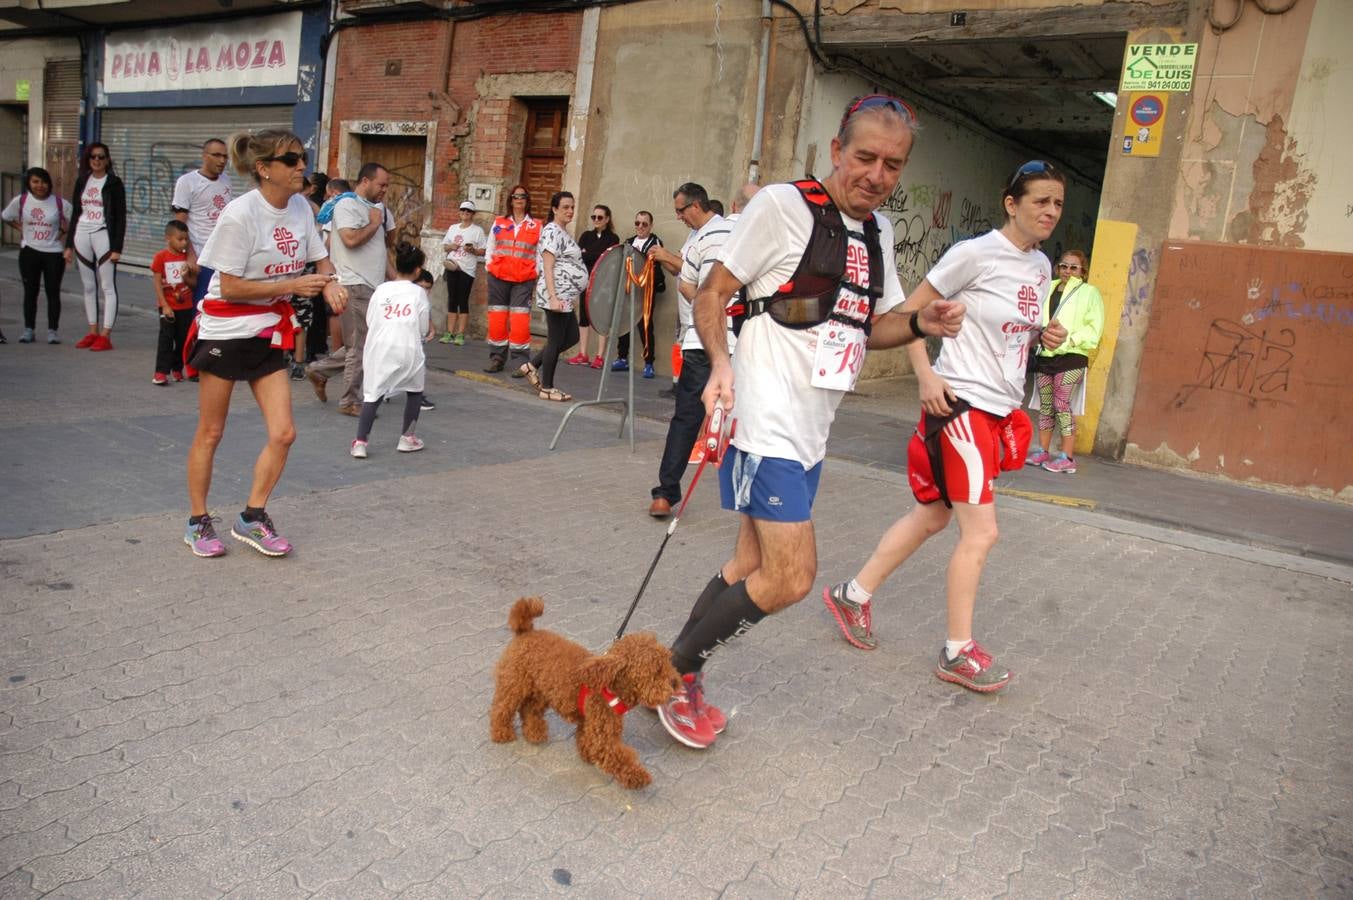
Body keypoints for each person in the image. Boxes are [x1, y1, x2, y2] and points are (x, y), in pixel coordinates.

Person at [653, 95, 967, 749]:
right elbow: (713, 292)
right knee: (791, 577)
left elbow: (869, 325)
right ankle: (667, 676)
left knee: (747, 562)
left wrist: (919, 323)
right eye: (864, 157)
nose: (876, 175)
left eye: (892, 164)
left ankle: (674, 673)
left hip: (810, 432)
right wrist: (717, 366)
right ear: (834, 151)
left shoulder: (877, 232)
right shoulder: (781, 206)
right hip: (763, 418)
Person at [822, 159, 1070, 695]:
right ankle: (958, 652)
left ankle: (853, 595)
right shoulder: (974, 253)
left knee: (931, 516)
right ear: (1012, 203)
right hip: (960, 405)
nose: (1050, 211)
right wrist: (925, 375)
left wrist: (1039, 336)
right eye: (1040, 201)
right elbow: (906, 314)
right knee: (981, 532)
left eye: (1057, 203)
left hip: (998, 410)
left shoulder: (1042, 267)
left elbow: (1007, 332)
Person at [183, 129, 346, 558]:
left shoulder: (299, 207)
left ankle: (252, 517)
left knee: (284, 432)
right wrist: (295, 283)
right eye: (291, 160)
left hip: (269, 328)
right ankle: (198, 522)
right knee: (211, 432)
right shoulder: (240, 215)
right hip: (226, 329)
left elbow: (320, 257)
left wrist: (329, 284)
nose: (300, 167)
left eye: (302, 158)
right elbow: (231, 287)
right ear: (263, 169)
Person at [647, 183, 732, 519]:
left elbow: (688, 286)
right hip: (717, 338)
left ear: (697, 205)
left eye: (681, 210)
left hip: (718, 336)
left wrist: (674, 264)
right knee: (697, 415)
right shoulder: (704, 236)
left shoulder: (715, 234)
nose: (679, 216)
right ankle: (667, 492)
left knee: (690, 417)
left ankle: (666, 494)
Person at [304, 162, 396, 415]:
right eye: (381, 184)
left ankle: (319, 370)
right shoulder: (347, 206)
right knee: (360, 346)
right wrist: (375, 223)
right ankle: (350, 401)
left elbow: (381, 252)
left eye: (387, 185)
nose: (385, 190)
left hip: (373, 287)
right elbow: (350, 240)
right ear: (365, 181)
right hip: (353, 284)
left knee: (367, 342)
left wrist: (397, 281)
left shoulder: (377, 210)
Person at [350, 242, 434, 458]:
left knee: (373, 394)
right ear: (417, 270)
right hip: (408, 348)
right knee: (415, 391)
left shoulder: (381, 289)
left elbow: (370, 320)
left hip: (379, 347)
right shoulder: (419, 293)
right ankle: (407, 438)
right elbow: (423, 328)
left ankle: (360, 442)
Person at [1025, 248, 1104, 474]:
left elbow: (1094, 329)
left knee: (1062, 403)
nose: (1068, 271)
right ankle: (1043, 450)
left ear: (1083, 271)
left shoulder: (1090, 293)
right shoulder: (1047, 288)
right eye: (1064, 266)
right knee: (1046, 404)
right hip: (1046, 354)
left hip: (1073, 356)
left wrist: (1069, 339)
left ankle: (1067, 457)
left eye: (1074, 267)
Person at [520, 191, 589, 402]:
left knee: (572, 337)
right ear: (554, 209)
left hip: (565, 295)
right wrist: (552, 297)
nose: (570, 211)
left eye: (572, 207)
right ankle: (547, 387)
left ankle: (531, 365)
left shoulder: (563, 232)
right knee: (557, 339)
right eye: (565, 207)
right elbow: (548, 267)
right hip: (555, 294)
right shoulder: (551, 231)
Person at [66, 142, 126, 352]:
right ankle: (92, 331)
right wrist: (68, 245)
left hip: (104, 235)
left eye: (101, 157)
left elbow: (120, 218)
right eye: (93, 157)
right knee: (88, 286)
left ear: (107, 159)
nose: (97, 161)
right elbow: (75, 213)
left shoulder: (114, 183)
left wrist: (117, 247)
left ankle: (105, 334)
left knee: (107, 286)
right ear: (88, 159)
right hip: (82, 233)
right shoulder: (83, 181)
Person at [1, 166, 69, 344]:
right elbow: (6, 216)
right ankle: (28, 329)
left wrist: (62, 231)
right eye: (35, 182)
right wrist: (20, 228)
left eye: (44, 182)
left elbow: (76, 218)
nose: (40, 186)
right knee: (30, 292)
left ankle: (53, 331)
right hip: (29, 252)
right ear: (29, 183)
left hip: (53, 253)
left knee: (53, 293)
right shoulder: (22, 201)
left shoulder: (59, 203)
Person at [482, 185, 540, 373]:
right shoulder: (499, 222)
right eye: (516, 196)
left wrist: (536, 272)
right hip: (498, 277)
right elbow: (490, 246)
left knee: (519, 321)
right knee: (497, 319)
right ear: (511, 200)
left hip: (523, 280)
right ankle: (497, 358)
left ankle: (521, 363)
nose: (519, 199)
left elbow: (540, 252)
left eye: (523, 196)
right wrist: (489, 266)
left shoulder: (536, 225)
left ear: (527, 200)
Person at [172, 138, 233, 311]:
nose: (222, 161)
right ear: (204, 156)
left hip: (223, 256)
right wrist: (190, 255)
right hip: (202, 256)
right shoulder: (187, 182)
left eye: (225, 156)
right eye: (216, 155)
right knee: (201, 308)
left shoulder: (226, 180)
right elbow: (179, 224)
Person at [612, 210, 666, 378]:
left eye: (644, 224)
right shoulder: (628, 242)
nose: (640, 227)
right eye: (637, 223)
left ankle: (649, 363)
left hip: (646, 292)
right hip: (629, 290)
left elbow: (655, 266)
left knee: (645, 327)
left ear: (650, 226)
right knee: (624, 324)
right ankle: (622, 358)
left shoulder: (655, 243)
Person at [570, 203, 618, 368]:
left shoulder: (613, 238)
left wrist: (589, 255)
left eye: (599, 217)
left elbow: (608, 259)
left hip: (603, 284)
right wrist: (594, 256)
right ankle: (583, 353)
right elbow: (579, 257)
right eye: (594, 217)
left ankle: (599, 356)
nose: (596, 220)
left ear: (607, 219)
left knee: (601, 317)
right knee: (584, 317)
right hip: (586, 281)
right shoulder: (586, 236)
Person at [151, 220, 195, 385]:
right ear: (168, 238)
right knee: (166, 338)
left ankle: (177, 368)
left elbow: (193, 283)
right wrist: (164, 305)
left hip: (186, 305)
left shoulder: (188, 258)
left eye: (185, 239)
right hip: (168, 306)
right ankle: (161, 372)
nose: (183, 242)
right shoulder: (160, 257)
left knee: (183, 339)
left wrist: (188, 275)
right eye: (180, 239)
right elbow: (157, 283)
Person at [439, 199, 485, 345]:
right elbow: (444, 246)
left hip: (467, 269)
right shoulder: (453, 228)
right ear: (459, 212)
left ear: (473, 214)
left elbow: (483, 250)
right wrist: (451, 246)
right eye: (463, 210)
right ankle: (449, 332)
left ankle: (460, 334)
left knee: (462, 300)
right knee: (452, 299)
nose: (465, 213)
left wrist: (472, 250)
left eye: (468, 211)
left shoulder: (477, 231)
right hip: (452, 266)